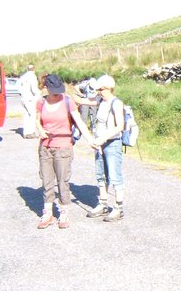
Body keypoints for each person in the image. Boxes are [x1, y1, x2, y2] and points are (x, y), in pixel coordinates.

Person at [35, 74, 96, 230]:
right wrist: (40, 128)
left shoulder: (68, 101)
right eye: (54, 90)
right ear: (46, 88)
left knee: (63, 181)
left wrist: (90, 140)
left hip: (63, 147)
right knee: (47, 180)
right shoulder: (41, 102)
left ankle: (63, 212)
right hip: (45, 147)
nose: (57, 93)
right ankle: (48, 213)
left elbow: (80, 122)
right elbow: (37, 120)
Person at [78, 74, 126, 222]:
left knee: (115, 175)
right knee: (101, 175)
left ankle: (118, 208)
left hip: (112, 143)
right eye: (98, 90)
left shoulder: (116, 103)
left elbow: (120, 126)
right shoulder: (100, 101)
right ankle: (103, 204)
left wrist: (103, 138)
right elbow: (82, 100)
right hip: (99, 143)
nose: (99, 92)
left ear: (109, 88)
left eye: (101, 89)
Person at [19, 64, 41, 138]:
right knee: (32, 115)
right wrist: (39, 94)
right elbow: (34, 89)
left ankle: (25, 133)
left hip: (23, 98)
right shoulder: (32, 76)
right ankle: (31, 132)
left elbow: (19, 88)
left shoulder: (23, 77)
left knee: (26, 115)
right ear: (34, 69)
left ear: (27, 69)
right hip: (30, 99)